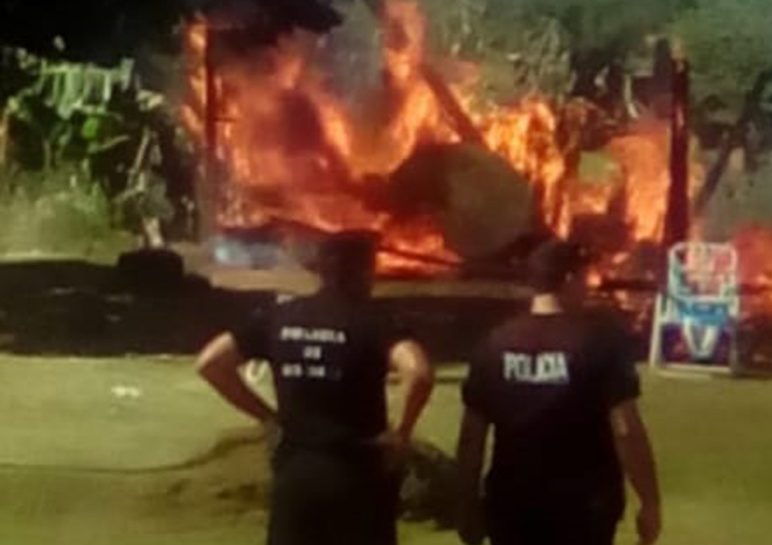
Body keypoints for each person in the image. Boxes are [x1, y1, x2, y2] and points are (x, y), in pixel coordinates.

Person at [196, 229, 434, 545]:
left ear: (321, 269)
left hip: (295, 471)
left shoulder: (279, 316)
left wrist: (268, 418)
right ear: (365, 270)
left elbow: (210, 363)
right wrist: (401, 434)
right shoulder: (373, 320)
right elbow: (418, 373)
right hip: (356, 473)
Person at [456, 239, 662, 545]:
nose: (588, 286)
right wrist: (649, 501)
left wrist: (467, 504)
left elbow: (472, 436)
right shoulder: (598, 343)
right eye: (584, 277)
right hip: (582, 509)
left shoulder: (495, 344)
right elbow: (625, 429)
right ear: (568, 280)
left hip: (513, 505)